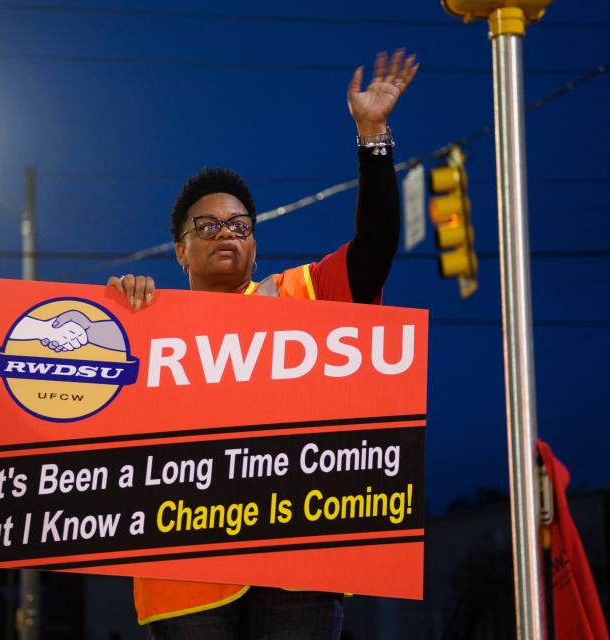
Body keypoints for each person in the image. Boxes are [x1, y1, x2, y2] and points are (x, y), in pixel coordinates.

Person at [106, 49, 418, 640]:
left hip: (295, 563)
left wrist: (373, 137)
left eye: (241, 225)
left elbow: (374, 249)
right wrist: (115, 319)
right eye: (208, 225)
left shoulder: (302, 294)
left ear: (254, 245)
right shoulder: (139, 321)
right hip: (184, 571)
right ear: (179, 249)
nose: (227, 231)